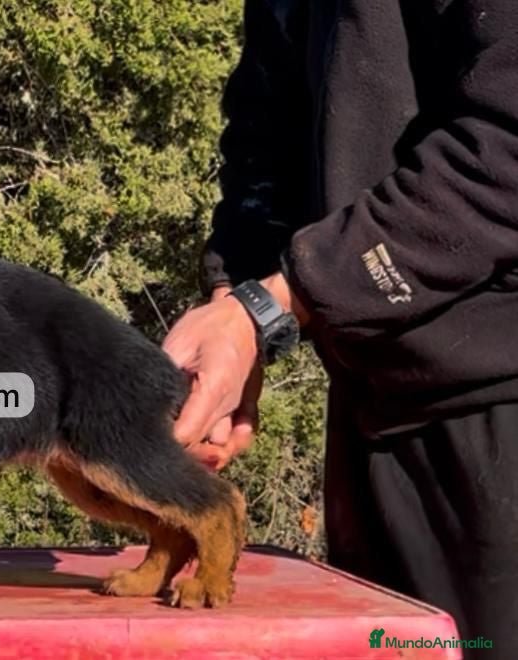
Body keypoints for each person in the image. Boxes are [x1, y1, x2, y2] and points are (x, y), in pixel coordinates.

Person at [162, 0, 518, 655]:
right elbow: (266, 117)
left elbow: (505, 151)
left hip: (499, 411)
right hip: (371, 408)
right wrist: (237, 308)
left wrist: (275, 303)